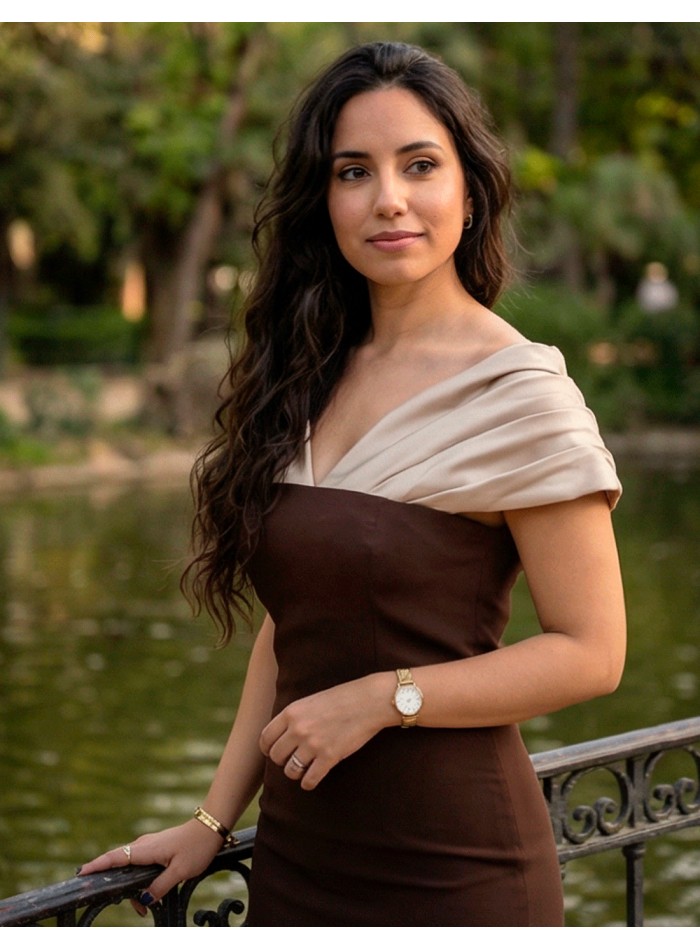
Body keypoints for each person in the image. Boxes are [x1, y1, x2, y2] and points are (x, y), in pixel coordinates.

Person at [79, 41, 626, 926]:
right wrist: (215, 820)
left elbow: (593, 653)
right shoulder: (307, 376)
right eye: (353, 172)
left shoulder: (521, 393)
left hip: (460, 869)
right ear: (323, 200)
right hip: (301, 858)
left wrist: (385, 699)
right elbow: (294, 629)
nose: (389, 199)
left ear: (469, 189)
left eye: (420, 165)